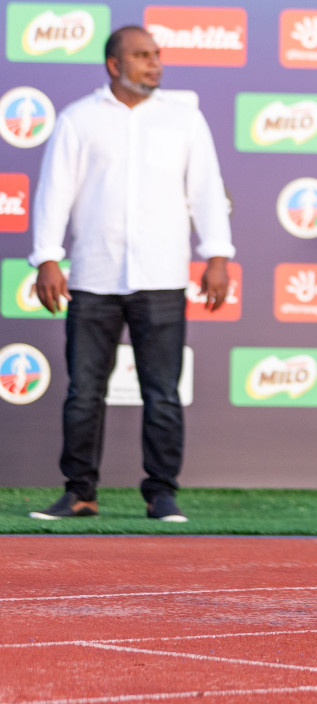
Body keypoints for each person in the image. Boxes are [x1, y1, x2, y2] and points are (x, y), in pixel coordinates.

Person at [26, 26, 234, 522]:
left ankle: (161, 494)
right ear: (114, 65)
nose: (154, 64)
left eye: (157, 55)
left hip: (161, 276)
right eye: (142, 56)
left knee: (162, 393)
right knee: (83, 393)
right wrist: (47, 258)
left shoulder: (184, 120)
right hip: (93, 277)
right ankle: (79, 493)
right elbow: (54, 191)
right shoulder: (79, 119)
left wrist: (218, 256)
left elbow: (206, 191)